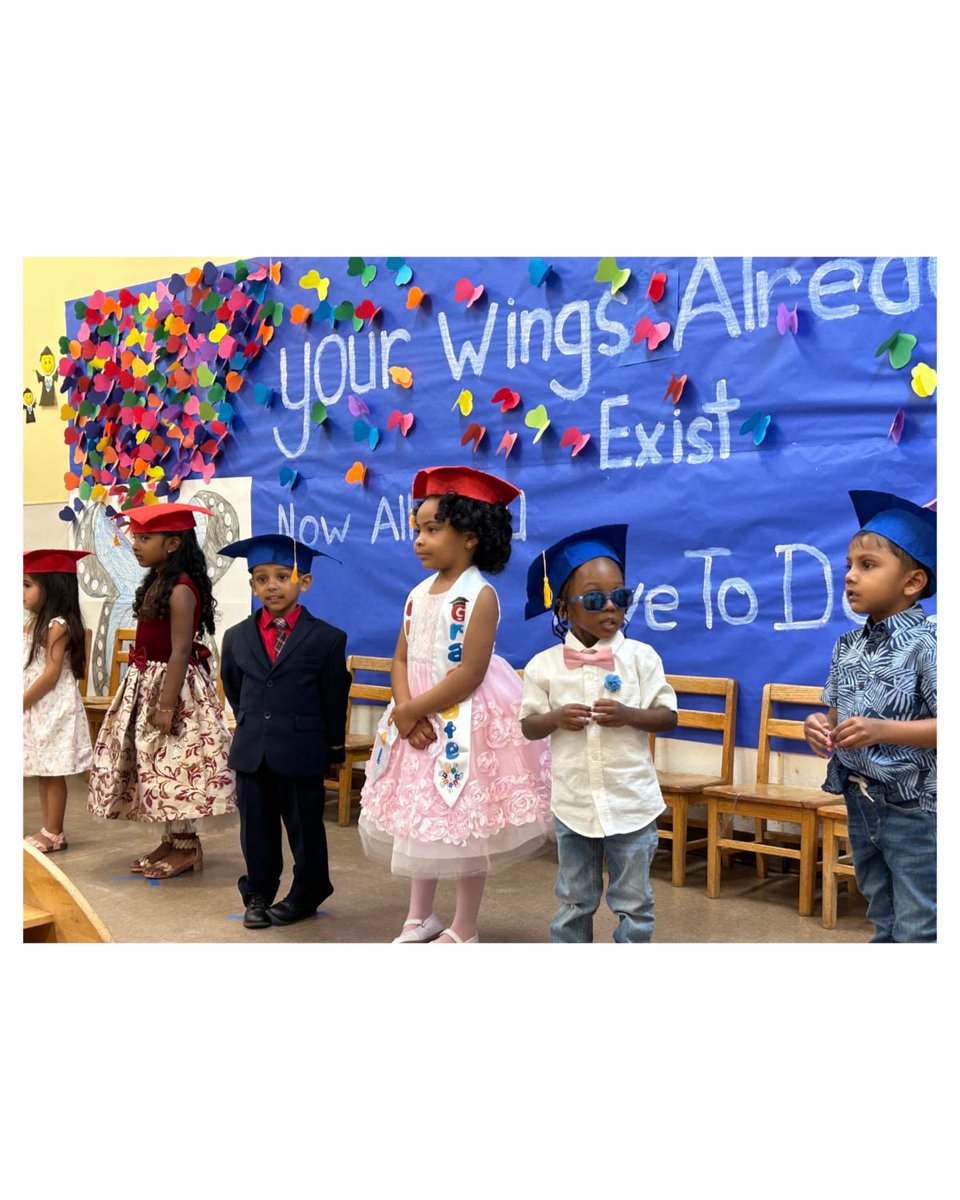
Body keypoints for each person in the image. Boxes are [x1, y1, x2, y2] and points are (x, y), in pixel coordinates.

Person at [359, 465, 552, 944]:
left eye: (433, 529)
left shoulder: (479, 595)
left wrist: (415, 709)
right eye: (417, 530)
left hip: (464, 720)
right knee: (421, 819)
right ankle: (420, 915)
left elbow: (469, 671)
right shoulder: (417, 594)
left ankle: (465, 926)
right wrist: (405, 711)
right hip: (416, 718)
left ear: (470, 537)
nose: (420, 540)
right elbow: (400, 657)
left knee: (465, 822)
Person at [519, 525, 678, 943]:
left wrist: (629, 714)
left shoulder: (642, 658)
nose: (610, 606)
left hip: (631, 802)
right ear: (564, 609)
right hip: (574, 803)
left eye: (620, 597)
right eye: (594, 598)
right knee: (574, 899)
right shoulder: (544, 666)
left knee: (634, 902)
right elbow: (529, 726)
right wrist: (554, 718)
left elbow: (668, 716)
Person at [803, 490, 937, 942]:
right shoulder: (847, 646)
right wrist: (819, 728)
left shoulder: (931, 644)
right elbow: (835, 716)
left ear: (913, 582)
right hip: (861, 802)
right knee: (880, 909)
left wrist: (883, 729)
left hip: (917, 809)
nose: (850, 577)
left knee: (919, 921)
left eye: (867, 565)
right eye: (848, 565)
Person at [88, 502, 236, 878]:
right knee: (154, 766)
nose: (135, 544)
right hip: (147, 682)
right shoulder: (157, 581)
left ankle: (187, 848)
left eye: (145, 538)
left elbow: (182, 650)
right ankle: (172, 842)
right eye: (135, 536)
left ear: (172, 544)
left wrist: (167, 706)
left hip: (173, 688)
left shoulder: (182, 588)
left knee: (176, 764)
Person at [219, 534, 351, 929]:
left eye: (281, 576)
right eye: (261, 578)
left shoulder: (327, 639)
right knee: (255, 829)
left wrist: (332, 749)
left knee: (305, 827)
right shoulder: (236, 637)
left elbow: (332, 696)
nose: (271, 585)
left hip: (302, 749)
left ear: (304, 582)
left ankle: (309, 890)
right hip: (253, 749)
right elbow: (235, 688)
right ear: (252, 585)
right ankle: (257, 892)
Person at [23, 549, 94, 852]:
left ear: (52, 587)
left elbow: (52, 674)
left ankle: (55, 832)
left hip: (53, 705)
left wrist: (21, 701)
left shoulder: (58, 625)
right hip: (40, 704)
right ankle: (47, 828)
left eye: (27, 585)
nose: (21, 592)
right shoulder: (37, 623)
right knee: (43, 768)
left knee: (53, 772)